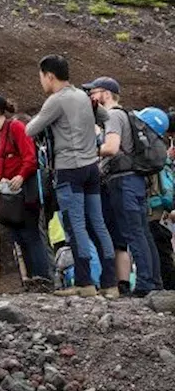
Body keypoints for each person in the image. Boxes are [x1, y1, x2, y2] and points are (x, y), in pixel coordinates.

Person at [25, 55, 118, 298]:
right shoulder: (83, 97)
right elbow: (106, 118)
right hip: (91, 167)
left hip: (69, 169)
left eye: (41, 77)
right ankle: (111, 284)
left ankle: (85, 283)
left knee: (75, 225)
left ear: (49, 76)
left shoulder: (57, 100)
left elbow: (30, 129)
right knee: (98, 224)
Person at [85, 77, 162, 296]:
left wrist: (88, 152)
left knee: (133, 233)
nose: (91, 97)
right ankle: (153, 281)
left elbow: (111, 147)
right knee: (142, 232)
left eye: (94, 93)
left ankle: (145, 284)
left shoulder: (112, 115)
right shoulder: (124, 114)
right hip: (134, 180)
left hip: (122, 181)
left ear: (106, 94)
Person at [0, 93, 53, 290]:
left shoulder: (16, 128)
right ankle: (31, 279)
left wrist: (20, 175)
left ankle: (43, 278)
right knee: (18, 236)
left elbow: (30, 157)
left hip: (24, 192)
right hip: (7, 195)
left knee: (31, 234)